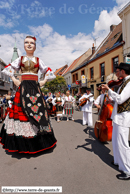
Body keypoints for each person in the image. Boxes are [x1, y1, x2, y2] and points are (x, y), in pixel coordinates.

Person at [0, 35, 57, 154]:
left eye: (32, 43)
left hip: (35, 88)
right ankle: (23, 145)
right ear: (24, 45)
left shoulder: (38, 60)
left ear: (35, 46)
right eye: (27, 42)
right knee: (22, 113)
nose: (29, 44)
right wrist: (14, 79)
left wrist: (44, 81)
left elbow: (48, 71)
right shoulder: (20, 59)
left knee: (39, 112)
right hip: (23, 88)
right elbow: (8, 68)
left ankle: (39, 143)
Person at [102, 62, 130, 180]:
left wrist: (109, 90)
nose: (116, 73)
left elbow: (120, 99)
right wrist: (111, 101)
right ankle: (119, 162)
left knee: (123, 144)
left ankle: (128, 170)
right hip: (118, 117)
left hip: (123, 118)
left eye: (117, 71)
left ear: (123, 71)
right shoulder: (124, 83)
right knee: (116, 142)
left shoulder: (129, 83)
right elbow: (118, 101)